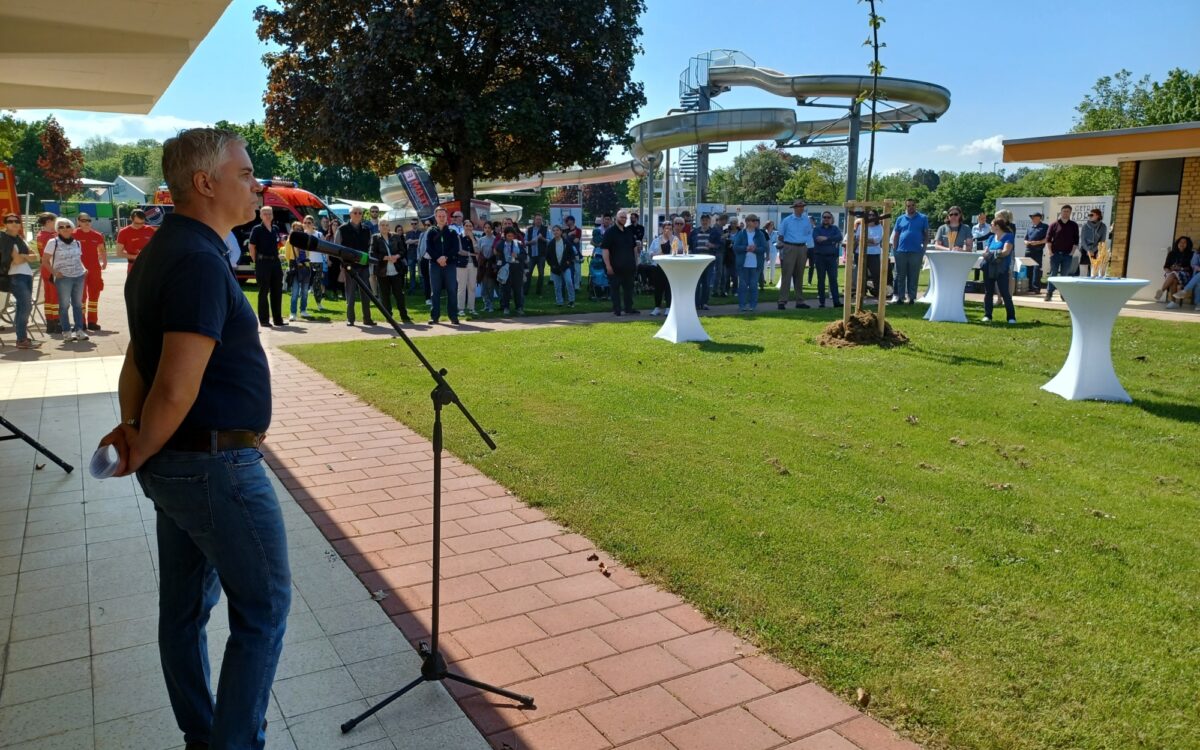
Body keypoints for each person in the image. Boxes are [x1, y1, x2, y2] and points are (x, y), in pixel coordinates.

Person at [98, 128, 289, 750]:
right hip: (215, 466)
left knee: (182, 614)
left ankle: (201, 735)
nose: (257, 184)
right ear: (205, 183)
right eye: (246, 173)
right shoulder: (198, 260)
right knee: (263, 611)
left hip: (185, 465)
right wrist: (143, 443)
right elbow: (175, 385)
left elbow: (138, 359)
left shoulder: (166, 249)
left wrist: (137, 434)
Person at [45, 218, 89, 341]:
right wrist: (54, 273)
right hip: (63, 278)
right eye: (61, 227)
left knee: (78, 305)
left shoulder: (77, 243)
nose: (65, 229)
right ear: (57, 230)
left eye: (67, 226)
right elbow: (45, 261)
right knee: (64, 305)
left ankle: (79, 330)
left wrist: (84, 269)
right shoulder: (53, 242)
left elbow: (78, 259)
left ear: (72, 228)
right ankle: (66, 331)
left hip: (79, 276)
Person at [2, 212, 39, 348]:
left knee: (22, 306)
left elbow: (35, 257)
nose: (14, 223)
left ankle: (21, 338)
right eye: (10, 221)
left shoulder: (20, 238)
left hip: (26, 274)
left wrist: (23, 256)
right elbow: (17, 261)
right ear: (5, 224)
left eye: (17, 221)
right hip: (15, 276)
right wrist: (26, 256)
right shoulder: (4, 239)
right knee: (26, 306)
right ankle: (21, 339)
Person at [335, 207, 376, 327]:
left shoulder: (367, 229)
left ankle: (367, 319)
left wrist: (368, 259)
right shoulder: (342, 229)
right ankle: (350, 319)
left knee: (366, 294)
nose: (358, 215)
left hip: (363, 266)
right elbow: (336, 248)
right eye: (355, 213)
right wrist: (343, 263)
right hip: (349, 266)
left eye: (360, 213)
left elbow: (370, 247)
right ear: (350, 214)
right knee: (350, 293)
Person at [248, 206, 284, 327]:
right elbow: (251, 246)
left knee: (277, 290)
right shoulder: (257, 229)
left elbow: (278, 244)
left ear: (273, 215)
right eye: (265, 213)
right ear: (261, 216)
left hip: (275, 262)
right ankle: (264, 320)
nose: (268, 215)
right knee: (263, 291)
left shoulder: (275, 229)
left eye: (270, 213)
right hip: (263, 262)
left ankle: (278, 319)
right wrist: (256, 261)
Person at [370, 218, 411, 323]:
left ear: (389, 227)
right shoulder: (375, 238)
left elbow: (403, 250)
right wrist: (385, 257)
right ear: (379, 227)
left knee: (399, 294)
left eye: (386, 225)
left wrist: (396, 256)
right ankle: (389, 317)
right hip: (382, 272)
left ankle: (404, 316)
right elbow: (372, 253)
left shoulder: (395, 236)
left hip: (396, 270)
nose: (384, 227)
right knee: (385, 295)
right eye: (382, 225)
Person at [425, 206, 461, 324]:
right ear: (435, 217)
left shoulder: (452, 232)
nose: (441, 218)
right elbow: (429, 248)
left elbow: (455, 248)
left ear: (447, 217)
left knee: (452, 290)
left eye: (443, 216)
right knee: (435, 291)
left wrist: (445, 257)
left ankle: (453, 316)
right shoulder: (430, 231)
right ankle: (434, 317)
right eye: (439, 216)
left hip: (449, 265)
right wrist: (438, 258)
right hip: (435, 265)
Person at [890, 198, 929, 304]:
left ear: (916, 206)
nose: (910, 207)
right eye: (908, 206)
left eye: (912, 205)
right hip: (901, 251)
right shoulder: (900, 219)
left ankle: (911, 297)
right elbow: (896, 235)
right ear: (905, 207)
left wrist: (924, 249)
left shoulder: (923, 218)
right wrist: (895, 250)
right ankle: (900, 297)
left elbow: (926, 235)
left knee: (913, 275)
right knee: (900, 275)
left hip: (916, 251)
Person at [601, 209, 639, 316]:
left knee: (629, 290)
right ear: (616, 218)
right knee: (615, 290)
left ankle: (628, 308)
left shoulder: (628, 232)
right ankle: (617, 310)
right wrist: (608, 266)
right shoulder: (610, 232)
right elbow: (605, 250)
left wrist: (636, 261)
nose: (624, 219)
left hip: (629, 267)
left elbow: (634, 248)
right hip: (615, 267)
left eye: (625, 217)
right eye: (621, 217)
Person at [777, 199, 814, 309]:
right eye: (799, 206)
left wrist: (810, 248)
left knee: (799, 275)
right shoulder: (787, 220)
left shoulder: (806, 220)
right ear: (794, 208)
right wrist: (783, 247)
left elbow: (809, 234)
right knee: (787, 274)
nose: (801, 208)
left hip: (802, 247)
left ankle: (800, 301)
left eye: (802, 206)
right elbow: (781, 234)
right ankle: (782, 301)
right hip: (790, 247)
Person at [74, 212, 108, 331]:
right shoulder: (73, 234)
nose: (87, 223)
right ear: (78, 222)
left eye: (89, 220)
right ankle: (81, 322)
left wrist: (104, 261)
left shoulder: (97, 235)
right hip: (79, 270)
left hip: (94, 269)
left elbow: (102, 250)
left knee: (94, 294)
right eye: (83, 220)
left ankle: (92, 322)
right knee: (81, 296)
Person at [982, 217, 1016, 324]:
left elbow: (1006, 252)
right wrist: (996, 253)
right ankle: (987, 315)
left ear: (997, 226)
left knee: (1005, 292)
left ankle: (1011, 317)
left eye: (991, 224)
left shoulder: (1009, 236)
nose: (990, 226)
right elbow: (985, 252)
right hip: (989, 267)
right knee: (988, 292)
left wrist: (992, 254)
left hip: (1002, 268)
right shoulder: (991, 238)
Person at [733, 214, 768, 312]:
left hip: (756, 265)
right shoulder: (741, 233)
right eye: (753, 220)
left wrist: (755, 249)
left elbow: (764, 248)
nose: (756, 222)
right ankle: (742, 305)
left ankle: (753, 305)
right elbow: (735, 247)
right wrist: (746, 248)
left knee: (753, 285)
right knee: (743, 285)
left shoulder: (760, 234)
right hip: (743, 264)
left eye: (756, 220)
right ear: (747, 222)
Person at [1044, 205, 1079, 301]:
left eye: (1067, 211)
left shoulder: (1074, 225)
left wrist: (1072, 253)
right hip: (1055, 254)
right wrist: (1050, 252)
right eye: (1064, 211)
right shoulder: (1054, 225)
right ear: (1061, 212)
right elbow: (1048, 239)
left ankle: (1063, 294)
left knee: (1064, 275)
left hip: (1067, 255)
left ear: (1070, 213)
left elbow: (1076, 241)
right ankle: (1049, 293)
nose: (1065, 213)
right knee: (1053, 274)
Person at [647, 222, 683, 315]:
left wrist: (671, 241)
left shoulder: (675, 239)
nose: (668, 230)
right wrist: (657, 254)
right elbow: (650, 253)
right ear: (662, 229)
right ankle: (657, 308)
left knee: (669, 287)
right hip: (658, 267)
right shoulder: (656, 240)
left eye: (670, 229)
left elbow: (681, 250)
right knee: (658, 288)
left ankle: (668, 307)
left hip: (671, 267)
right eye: (666, 228)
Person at [811, 211, 843, 308]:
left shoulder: (835, 228)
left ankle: (836, 302)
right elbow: (817, 239)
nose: (826, 219)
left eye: (828, 217)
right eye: (824, 217)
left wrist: (826, 239)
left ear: (831, 219)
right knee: (821, 280)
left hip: (832, 258)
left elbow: (839, 237)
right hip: (820, 257)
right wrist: (832, 240)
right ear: (822, 218)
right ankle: (822, 302)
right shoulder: (817, 229)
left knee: (833, 280)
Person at [282, 221, 312, 322]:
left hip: (305, 267)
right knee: (295, 292)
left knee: (305, 291)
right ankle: (293, 313)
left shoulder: (305, 240)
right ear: (293, 229)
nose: (299, 230)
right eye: (296, 229)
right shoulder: (289, 241)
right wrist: (294, 264)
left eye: (300, 229)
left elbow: (308, 254)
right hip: (295, 267)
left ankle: (303, 310)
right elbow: (287, 255)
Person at [36, 212, 60, 332]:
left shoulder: (40, 234)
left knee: (49, 296)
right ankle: (57, 322)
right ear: (49, 222)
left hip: (45, 268)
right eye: (55, 221)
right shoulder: (50, 237)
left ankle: (50, 322)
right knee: (55, 295)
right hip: (52, 268)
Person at [691, 213, 721, 310]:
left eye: (706, 220)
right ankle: (696, 304)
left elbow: (720, 245)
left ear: (709, 221)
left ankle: (704, 303)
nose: (705, 222)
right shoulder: (695, 232)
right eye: (703, 220)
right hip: (696, 261)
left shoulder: (714, 232)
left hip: (708, 261)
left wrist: (712, 245)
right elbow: (690, 244)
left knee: (707, 283)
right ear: (701, 221)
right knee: (696, 283)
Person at [856, 210, 886, 299]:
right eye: (869, 215)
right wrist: (870, 241)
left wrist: (865, 240)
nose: (871, 216)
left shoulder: (879, 227)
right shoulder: (861, 226)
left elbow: (877, 240)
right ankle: (862, 293)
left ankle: (878, 293)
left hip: (874, 254)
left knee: (876, 274)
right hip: (861, 253)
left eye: (873, 215)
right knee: (861, 274)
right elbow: (858, 238)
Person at [496, 226, 526, 316]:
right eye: (508, 236)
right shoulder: (501, 244)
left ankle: (519, 307)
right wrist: (500, 267)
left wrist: (517, 256)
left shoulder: (518, 244)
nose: (510, 238)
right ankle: (506, 307)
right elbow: (498, 252)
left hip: (517, 269)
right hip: (506, 269)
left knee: (517, 289)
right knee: (506, 289)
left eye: (512, 236)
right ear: (505, 235)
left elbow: (524, 256)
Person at [1156, 236, 1193, 305]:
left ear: (1188, 244)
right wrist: (1168, 270)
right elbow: (1166, 266)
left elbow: (1191, 268)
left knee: (1173, 274)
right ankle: (1173, 303)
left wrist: (1181, 268)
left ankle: (1162, 290)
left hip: (1185, 275)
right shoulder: (1171, 253)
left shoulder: (1191, 254)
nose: (1182, 244)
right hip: (1172, 274)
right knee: (1174, 280)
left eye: (1184, 242)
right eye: (1180, 242)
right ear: (1177, 243)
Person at [546, 224, 577, 307]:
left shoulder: (566, 242)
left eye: (557, 230)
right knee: (557, 286)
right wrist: (552, 265)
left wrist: (568, 262)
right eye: (554, 230)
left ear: (561, 232)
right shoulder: (551, 244)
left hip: (565, 267)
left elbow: (572, 254)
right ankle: (559, 301)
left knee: (569, 282)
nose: (555, 232)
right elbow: (547, 257)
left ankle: (571, 300)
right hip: (555, 268)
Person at [1169, 239, 1200, 309]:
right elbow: (1193, 264)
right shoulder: (1197, 253)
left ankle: (1185, 291)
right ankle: (1198, 303)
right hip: (1198, 275)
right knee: (1199, 283)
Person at [456, 219, 478, 316]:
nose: (468, 228)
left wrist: (472, 239)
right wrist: (472, 254)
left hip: (473, 265)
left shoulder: (475, 238)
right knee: (461, 287)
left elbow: (477, 250)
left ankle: (471, 308)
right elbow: (460, 251)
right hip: (461, 265)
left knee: (472, 287)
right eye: (466, 226)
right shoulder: (458, 237)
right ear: (463, 226)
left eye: (470, 226)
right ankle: (461, 308)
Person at [523, 213, 549, 296]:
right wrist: (531, 242)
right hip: (531, 255)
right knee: (528, 273)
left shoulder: (545, 229)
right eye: (537, 219)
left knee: (541, 274)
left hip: (541, 255)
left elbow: (550, 241)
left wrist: (542, 238)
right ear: (534, 220)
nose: (538, 221)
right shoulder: (529, 230)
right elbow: (524, 241)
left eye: (540, 219)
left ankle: (538, 292)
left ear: (542, 220)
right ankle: (525, 291)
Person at [1023, 211, 1049, 293]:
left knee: (1037, 269)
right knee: (1028, 269)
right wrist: (1026, 242)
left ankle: (1036, 287)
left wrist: (1038, 242)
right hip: (1028, 250)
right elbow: (1025, 239)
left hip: (1038, 250)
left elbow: (1047, 239)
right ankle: (1029, 287)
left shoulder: (1045, 227)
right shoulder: (1030, 227)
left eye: (1034, 217)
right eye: (1032, 218)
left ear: (1039, 218)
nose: (1033, 219)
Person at [477, 221, 498, 313]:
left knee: (490, 286)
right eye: (485, 228)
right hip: (483, 266)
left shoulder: (495, 239)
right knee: (483, 288)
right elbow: (479, 253)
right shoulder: (481, 240)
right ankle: (486, 304)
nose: (487, 229)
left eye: (489, 227)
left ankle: (491, 306)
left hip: (491, 266)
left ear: (492, 229)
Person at [1080, 208, 1107, 278]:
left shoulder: (1103, 226)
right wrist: (1088, 250)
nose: (1090, 216)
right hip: (1085, 250)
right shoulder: (1085, 226)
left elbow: (1102, 241)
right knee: (1083, 273)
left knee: (1094, 273)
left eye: (1092, 215)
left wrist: (1093, 250)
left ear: (1098, 216)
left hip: (1096, 251)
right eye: (1089, 215)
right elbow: (1082, 240)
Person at [564, 215, 584, 290]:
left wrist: (568, 236)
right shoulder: (565, 231)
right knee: (568, 271)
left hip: (576, 253)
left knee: (577, 271)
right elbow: (564, 241)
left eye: (567, 220)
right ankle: (569, 285)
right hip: (567, 254)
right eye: (566, 221)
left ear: (572, 221)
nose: (566, 222)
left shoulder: (578, 230)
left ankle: (576, 286)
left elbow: (576, 241)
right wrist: (571, 234)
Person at [405, 218, 423, 293]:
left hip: (419, 254)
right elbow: (407, 242)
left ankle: (423, 288)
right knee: (412, 273)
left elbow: (422, 242)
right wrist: (417, 240)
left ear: (418, 224)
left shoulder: (421, 233)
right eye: (412, 223)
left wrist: (412, 241)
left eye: (415, 223)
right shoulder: (408, 233)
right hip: (411, 255)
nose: (414, 225)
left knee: (421, 272)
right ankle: (412, 289)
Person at [762, 220, 778, 286]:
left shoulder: (776, 233)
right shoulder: (763, 232)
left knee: (772, 266)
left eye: (772, 225)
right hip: (765, 251)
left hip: (773, 251)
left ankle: (771, 280)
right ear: (767, 225)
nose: (771, 226)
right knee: (764, 266)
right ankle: (764, 279)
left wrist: (774, 244)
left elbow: (777, 241)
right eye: (770, 225)